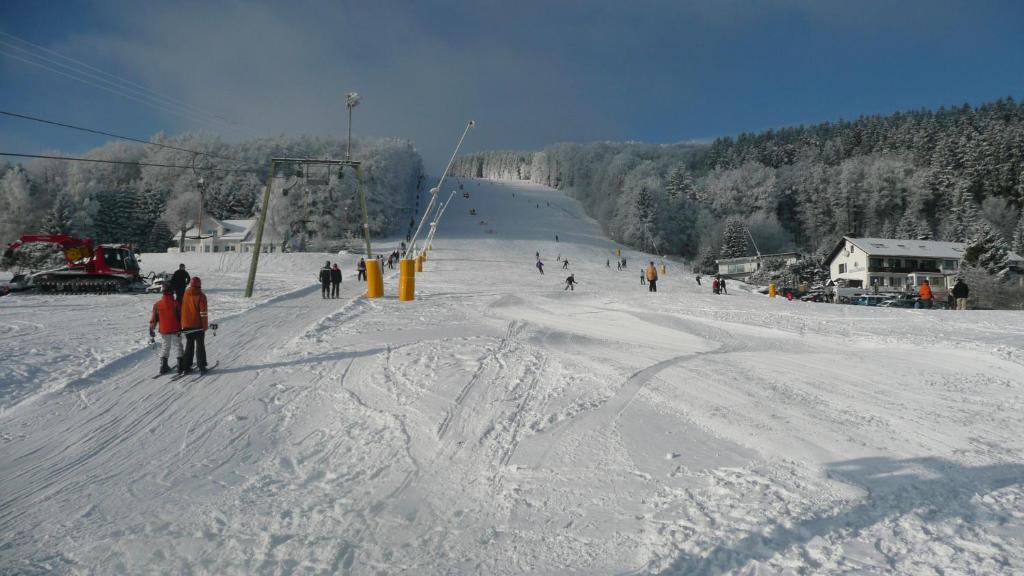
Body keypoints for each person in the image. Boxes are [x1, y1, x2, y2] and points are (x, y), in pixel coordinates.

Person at [149, 286, 182, 374]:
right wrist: (183, 327)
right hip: (176, 329)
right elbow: (181, 317)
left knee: (165, 347)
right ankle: (180, 366)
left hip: (164, 330)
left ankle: (163, 366)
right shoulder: (176, 303)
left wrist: (152, 329)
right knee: (178, 346)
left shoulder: (157, 304)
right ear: (171, 292)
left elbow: (154, 319)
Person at [180, 277, 209, 374]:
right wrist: (205, 325)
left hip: (187, 325)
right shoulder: (201, 296)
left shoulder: (186, 293)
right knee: (200, 346)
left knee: (189, 345)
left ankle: (186, 366)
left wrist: (183, 323)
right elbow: (203, 313)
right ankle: (202, 366)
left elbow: (184, 308)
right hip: (198, 325)